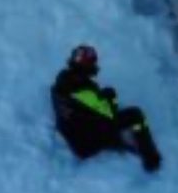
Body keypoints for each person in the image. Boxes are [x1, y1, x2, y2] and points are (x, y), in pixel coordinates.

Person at [51, 44, 162, 172]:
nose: (94, 65)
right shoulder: (84, 90)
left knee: (107, 97)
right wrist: (110, 99)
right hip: (84, 143)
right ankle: (151, 158)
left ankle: (115, 139)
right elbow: (109, 115)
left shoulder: (63, 79)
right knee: (136, 115)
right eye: (91, 62)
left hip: (72, 130)